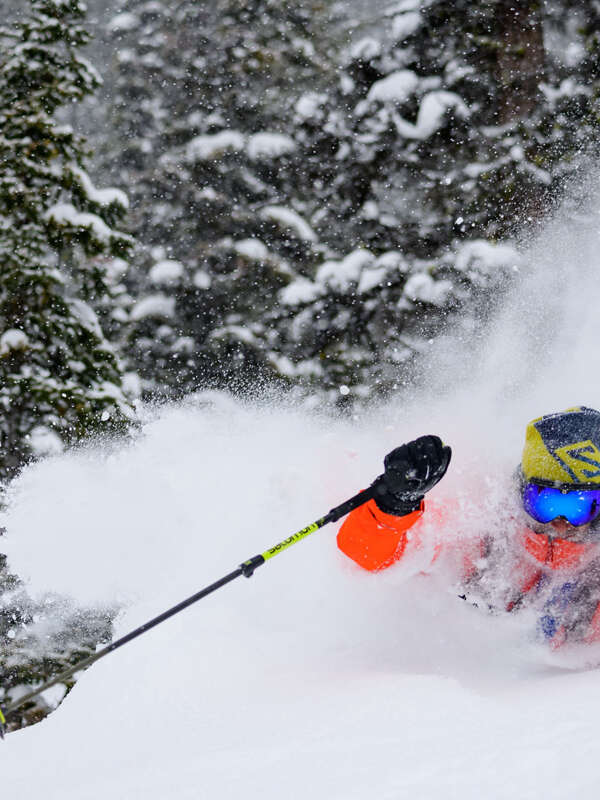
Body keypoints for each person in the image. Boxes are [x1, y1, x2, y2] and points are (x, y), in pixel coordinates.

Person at [337, 406, 600, 648]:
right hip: (450, 679)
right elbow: (368, 556)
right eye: (546, 502)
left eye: (582, 506)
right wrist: (393, 506)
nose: (562, 522)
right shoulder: (482, 521)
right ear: (522, 489)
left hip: (557, 693)